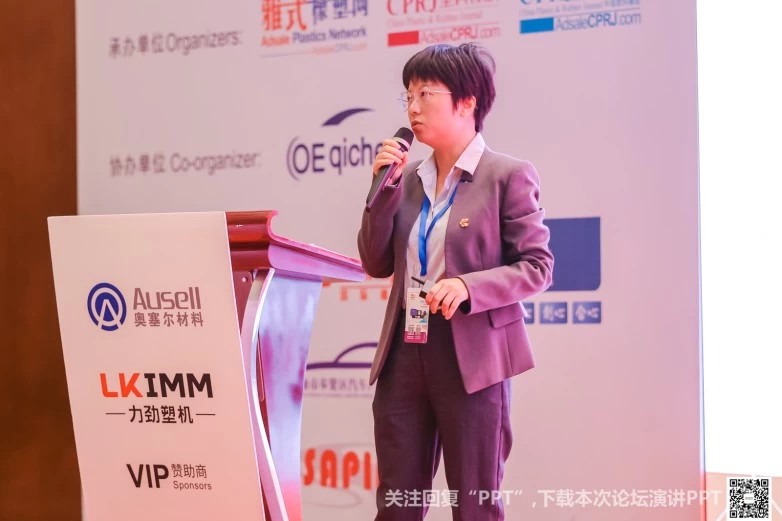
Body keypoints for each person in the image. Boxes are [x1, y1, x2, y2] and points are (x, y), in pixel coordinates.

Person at [357, 42, 554, 521]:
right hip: (405, 352)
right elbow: (375, 262)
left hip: (472, 357)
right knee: (397, 502)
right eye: (408, 95)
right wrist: (381, 191)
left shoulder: (507, 176)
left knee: (474, 503)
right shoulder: (405, 180)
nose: (413, 107)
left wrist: (469, 287)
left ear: (467, 102)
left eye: (426, 93)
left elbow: (537, 266)